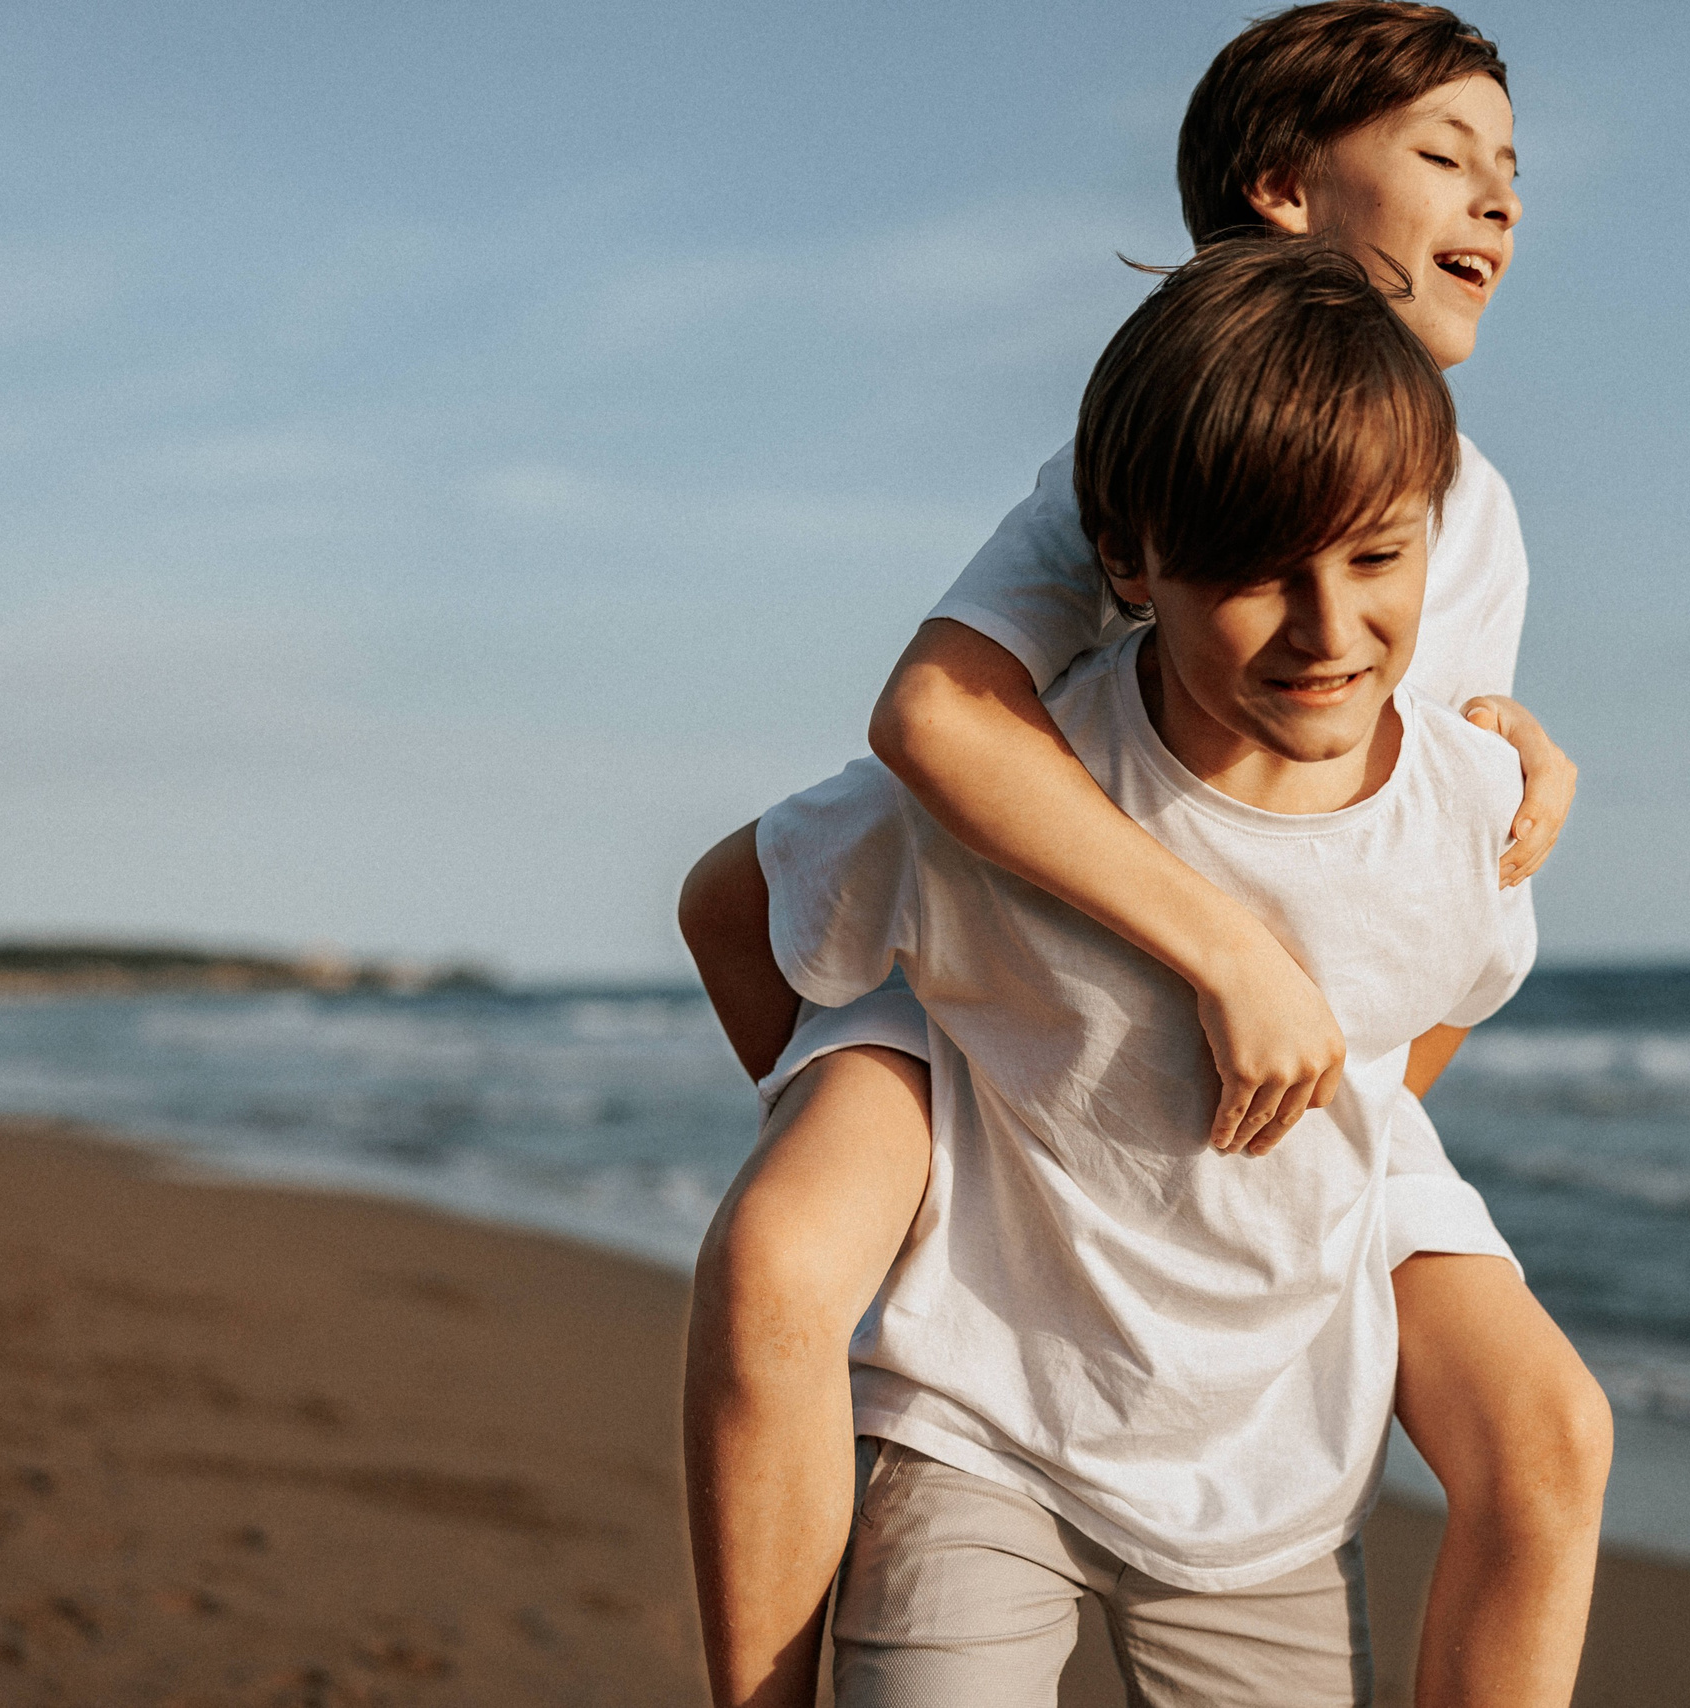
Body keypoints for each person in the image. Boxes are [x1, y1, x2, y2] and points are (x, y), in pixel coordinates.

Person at [681, 8, 1609, 1706]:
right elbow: (934, 721)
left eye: (1510, 169)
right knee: (778, 1264)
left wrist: (1293, 1139)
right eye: (1441, 156)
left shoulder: (1478, 512)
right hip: (1044, 992)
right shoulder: (1158, 447)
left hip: (1314, 1049)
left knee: (1549, 1439)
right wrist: (963, 1104)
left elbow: (1438, 863)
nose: (1497, 200)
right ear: (1279, 193)